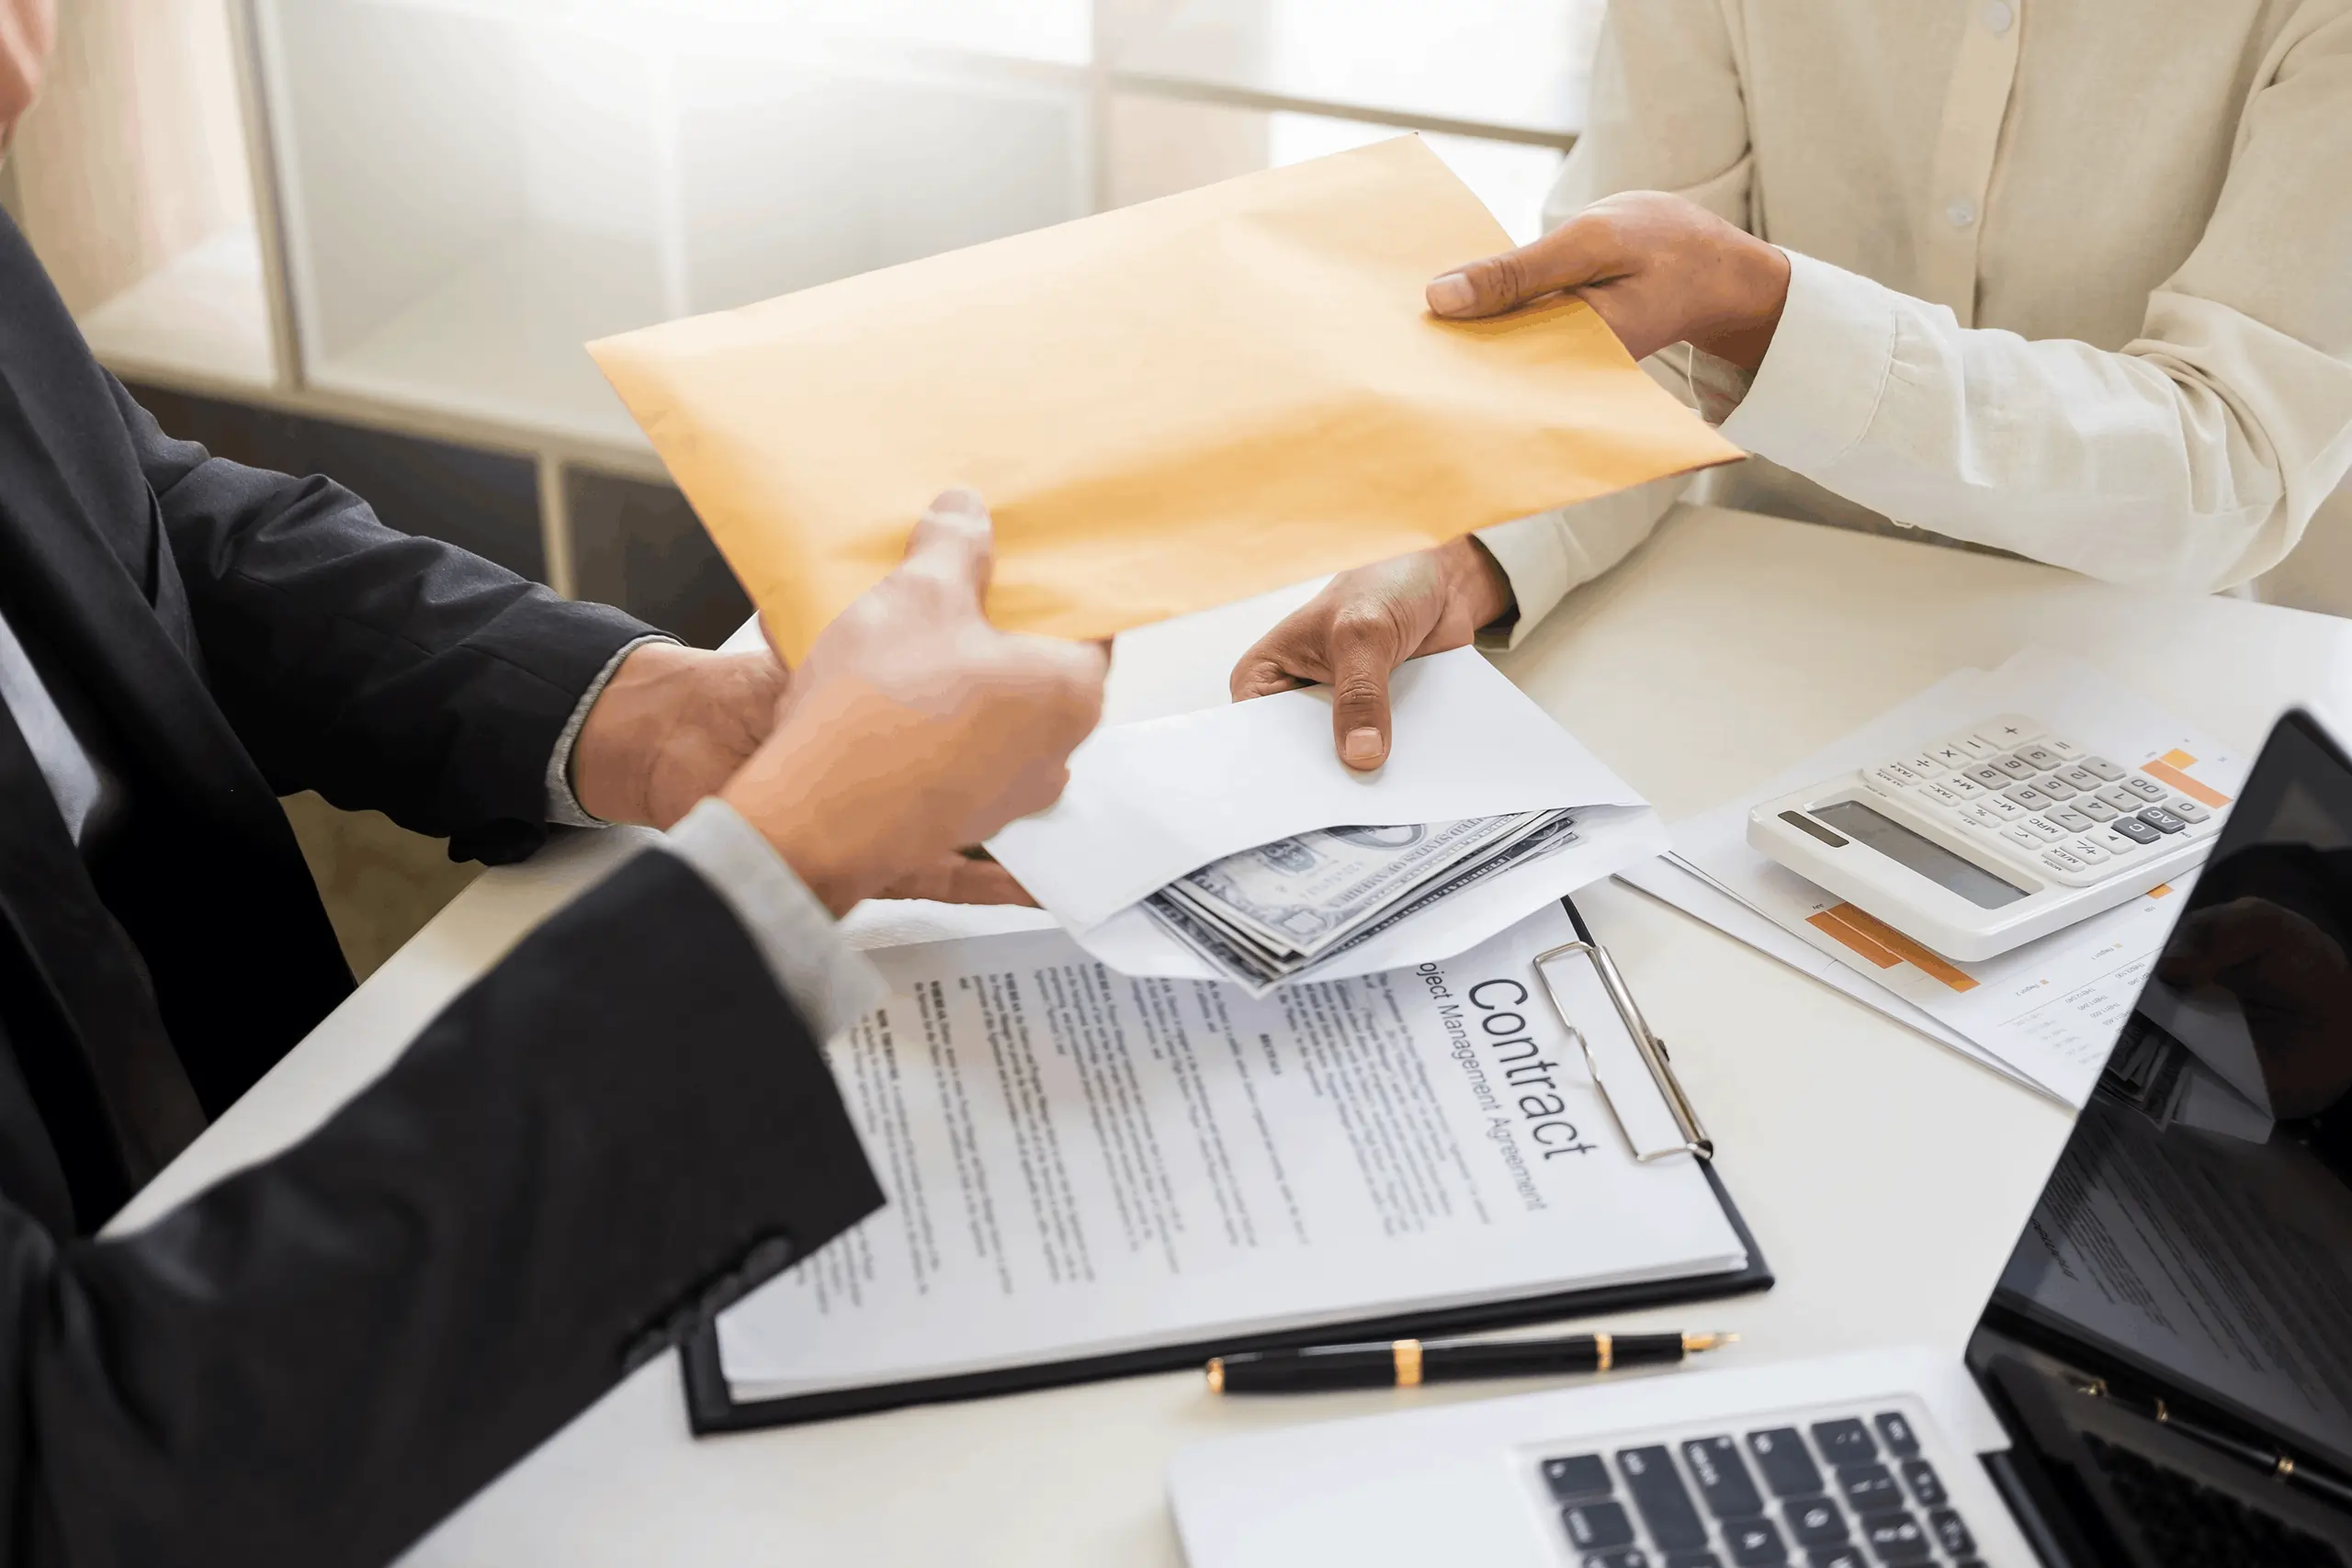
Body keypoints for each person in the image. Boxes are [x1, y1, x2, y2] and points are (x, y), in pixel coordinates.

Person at [0, 7, 1105, 1562]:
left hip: (294, 1200)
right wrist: (779, 870)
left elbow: (148, 526)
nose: (22, 66)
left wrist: (649, 711)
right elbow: (73, 1452)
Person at [1237, 0, 2352, 768]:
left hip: (2147, 684)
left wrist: (1766, 313)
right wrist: (1471, 552)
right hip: (1734, 652)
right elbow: (1639, 348)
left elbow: (2232, 457)